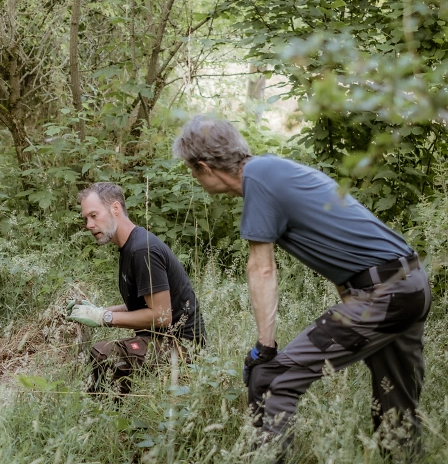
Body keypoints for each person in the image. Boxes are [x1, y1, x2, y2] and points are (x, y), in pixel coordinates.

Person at [172, 115, 430, 461]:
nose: (194, 178)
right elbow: (343, 245)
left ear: (203, 166)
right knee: (396, 411)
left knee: (271, 380)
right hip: (409, 284)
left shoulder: (258, 179)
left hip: (384, 295)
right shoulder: (274, 171)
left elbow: (262, 268)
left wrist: (264, 349)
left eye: (192, 171)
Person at [68, 182, 206, 395]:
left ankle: (109, 410)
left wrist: (104, 318)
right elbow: (144, 304)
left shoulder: (142, 249)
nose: (88, 224)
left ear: (115, 208)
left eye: (94, 215)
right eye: (86, 218)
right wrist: (98, 310)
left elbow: (162, 317)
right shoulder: (130, 247)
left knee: (103, 353)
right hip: (161, 340)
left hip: (182, 348)